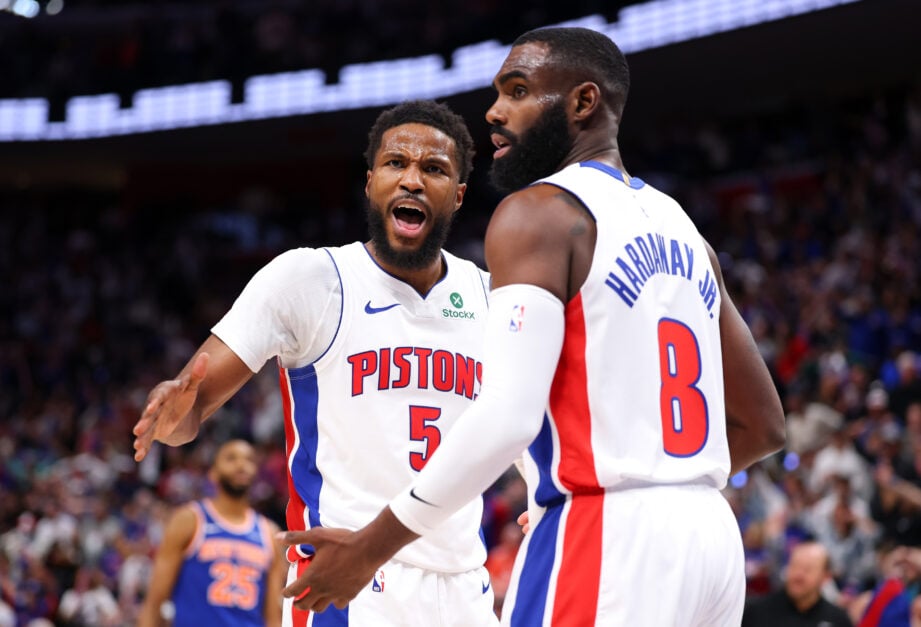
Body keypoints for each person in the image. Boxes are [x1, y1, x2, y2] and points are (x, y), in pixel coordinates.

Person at [279, 26, 787, 625]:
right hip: (710, 536)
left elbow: (507, 418)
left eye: (517, 91)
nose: (494, 112)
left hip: (605, 534)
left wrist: (370, 547)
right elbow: (764, 424)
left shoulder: (540, 213)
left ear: (583, 102)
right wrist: (656, 484)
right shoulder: (685, 231)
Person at [132, 100, 500, 626]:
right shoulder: (310, 279)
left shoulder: (490, 295)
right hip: (346, 582)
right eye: (396, 163)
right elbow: (188, 415)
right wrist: (172, 415)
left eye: (434, 169)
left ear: (459, 194)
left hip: (464, 587)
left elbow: (520, 420)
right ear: (371, 182)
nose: (412, 180)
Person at [137, 439, 286, 627]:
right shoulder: (190, 520)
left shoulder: (269, 533)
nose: (241, 465)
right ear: (213, 473)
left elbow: (273, 617)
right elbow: (154, 603)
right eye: (231, 458)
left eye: (249, 460)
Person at [742, 541, 853, 627]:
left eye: (807, 569)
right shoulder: (757, 613)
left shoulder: (838, 620)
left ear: (825, 577)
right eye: (795, 566)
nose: (798, 575)